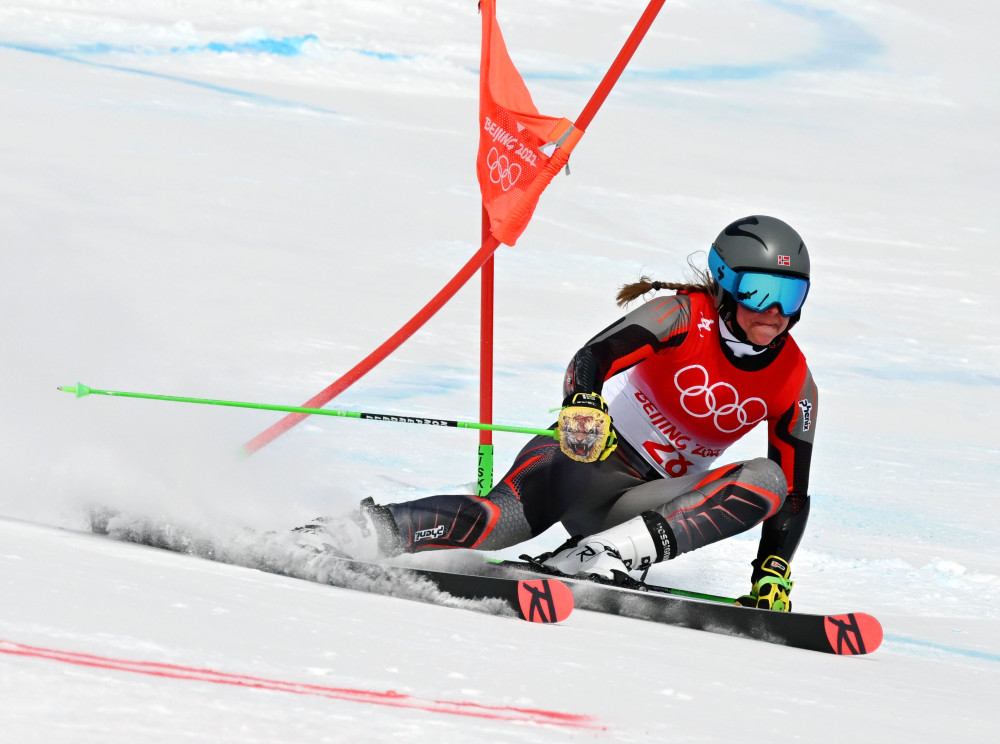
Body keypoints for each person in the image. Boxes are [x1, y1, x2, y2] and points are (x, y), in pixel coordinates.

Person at [301, 215, 817, 611]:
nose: (774, 312)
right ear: (724, 282)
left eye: (791, 296)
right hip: (583, 459)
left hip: (635, 510)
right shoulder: (682, 315)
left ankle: (597, 556)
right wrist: (583, 405)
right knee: (496, 521)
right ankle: (354, 530)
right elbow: (593, 358)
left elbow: (791, 497)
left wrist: (773, 569)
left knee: (767, 480)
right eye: (760, 291)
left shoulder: (796, 381)